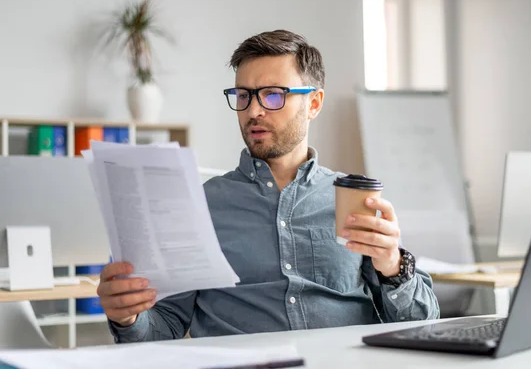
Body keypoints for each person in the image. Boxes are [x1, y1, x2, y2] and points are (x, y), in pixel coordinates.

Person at [99, 29, 440, 342]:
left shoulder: (353, 200)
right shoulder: (198, 206)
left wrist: (393, 266)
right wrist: (129, 318)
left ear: (314, 103)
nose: (254, 111)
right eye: (244, 95)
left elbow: (423, 325)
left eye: (273, 95)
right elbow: (165, 327)